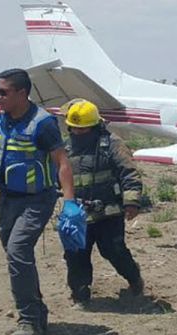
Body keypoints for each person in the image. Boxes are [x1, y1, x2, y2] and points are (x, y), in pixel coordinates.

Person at [0, 68, 76, 335]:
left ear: (22, 93)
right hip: (7, 198)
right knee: (16, 258)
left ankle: (28, 320)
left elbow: (62, 162)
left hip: (37, 199)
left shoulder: (43, 123)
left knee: (18, 250)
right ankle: (37, 317)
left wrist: (69, 203)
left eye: (3, 92)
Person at [61, 99, 144, 304]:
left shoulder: (112, 144)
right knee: (76, 255)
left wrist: (131, 201)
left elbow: (129, 172)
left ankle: (134, 278)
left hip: (109, 212)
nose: (79, 133)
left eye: (84, 129)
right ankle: (80, 294)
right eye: (75, 129)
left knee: (113, 250)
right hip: (77, 214)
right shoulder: (65, 148)